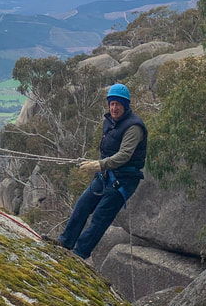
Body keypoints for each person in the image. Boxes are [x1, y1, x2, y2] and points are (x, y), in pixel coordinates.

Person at [57, 83, 147, 259]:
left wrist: (98, 165)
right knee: (82, 205)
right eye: (112, 104)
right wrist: (96, 165)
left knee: (100, 217)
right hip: (106, 175)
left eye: (118, 104)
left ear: (125, 106)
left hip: (124, 180)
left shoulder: (134, 127)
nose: (114, 108)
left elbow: (124, 155)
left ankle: (79, 253)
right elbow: (107, 149)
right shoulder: (110, 122)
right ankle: (65, 241)